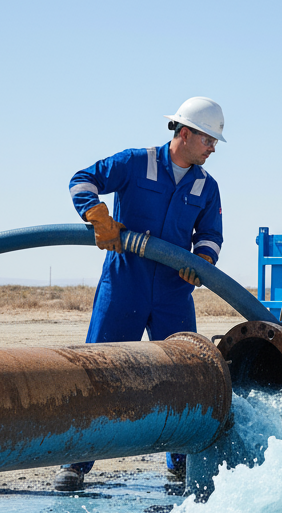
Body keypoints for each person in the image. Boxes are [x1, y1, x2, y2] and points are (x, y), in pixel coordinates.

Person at [54, 97, 226, 491]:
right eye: (209, 140)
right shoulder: (135, 162)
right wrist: (96, 214)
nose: (213, 147)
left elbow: (212, 237)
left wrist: (200, 261)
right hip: (125, 283)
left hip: (173, 291)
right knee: (101, 370)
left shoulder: (206, 186)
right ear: (184, 133)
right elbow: (81, 179)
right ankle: (75, 464)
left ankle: (180, 464)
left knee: (185, 375)